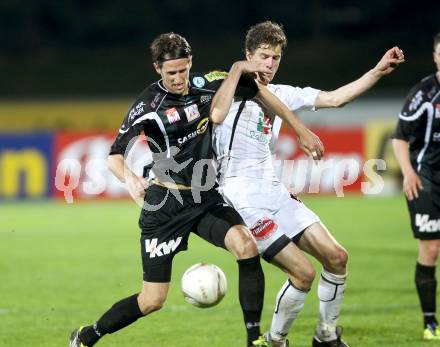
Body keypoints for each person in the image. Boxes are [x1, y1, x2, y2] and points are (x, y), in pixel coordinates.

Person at [68, 32, 323, 347]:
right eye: (171, 73)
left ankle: (255, 339)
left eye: (183, 70)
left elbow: (259, 92)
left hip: (205, 197)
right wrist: (131, 177)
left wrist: (299, 128)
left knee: (246, 245)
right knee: (153, 299)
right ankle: (87, 335)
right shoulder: (149, 104)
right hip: (166, 205)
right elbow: (114, 157)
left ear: (190, 64)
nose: (178, 79)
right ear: (157, 69)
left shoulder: (209, 83)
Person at [212, 21, 404, 347]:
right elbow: (214, 112)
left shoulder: (282, 94)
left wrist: (376, 71)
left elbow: (335, 99)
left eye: (275, 58)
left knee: (337, 257)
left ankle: (326, 334)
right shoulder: (223, 90)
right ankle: (276, 340)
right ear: (247, 55)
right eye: (262, 56)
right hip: (241, 198)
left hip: (274, 190)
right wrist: (236, 73)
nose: (269, 64)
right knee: (303, 274)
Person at [392, 32, 440, 341]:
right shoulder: (424, 94)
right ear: (436, 57)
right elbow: (399, 137)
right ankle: (430, 321)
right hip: (427, 180)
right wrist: (408, 173)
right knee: (431, 249)